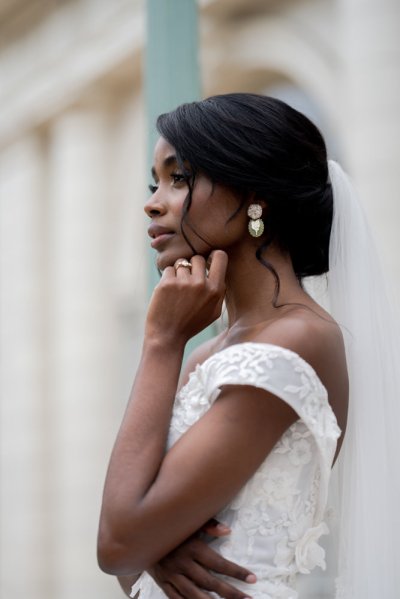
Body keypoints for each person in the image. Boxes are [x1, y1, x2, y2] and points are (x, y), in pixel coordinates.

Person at [97, 94, 399, 599]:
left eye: (180, 178)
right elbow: (127, 559)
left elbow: (117, 543)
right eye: (156, 183)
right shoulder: (208, 356)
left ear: (254, 194)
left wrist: (161, 342)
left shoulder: (298, 339)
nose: (152, 203)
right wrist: (156, 547)